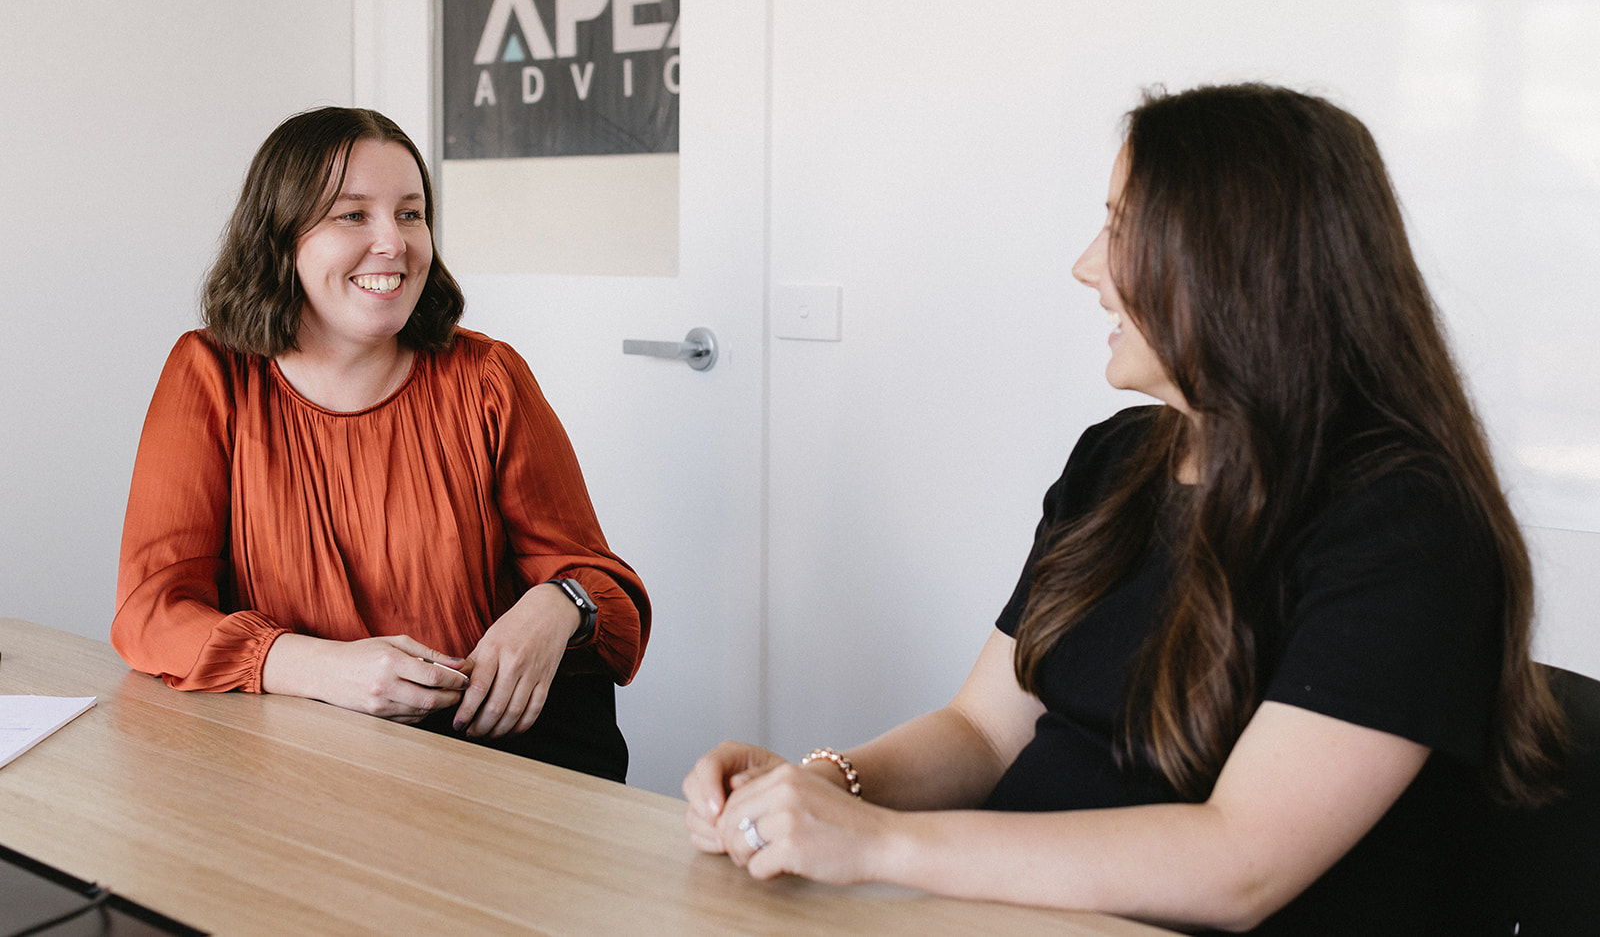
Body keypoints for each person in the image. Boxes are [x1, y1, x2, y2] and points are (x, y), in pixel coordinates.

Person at [683, 84, 1567, 933]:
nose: (1086, 266)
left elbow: (1238, 863)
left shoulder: (1407, 523)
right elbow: (985, 732)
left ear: (1235, 261)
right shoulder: (1114, 461)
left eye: (1121, 228)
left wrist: (879, 844)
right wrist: (830, 785)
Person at [114, 107, 649, 782]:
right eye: (352, 215)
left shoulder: (487, 377)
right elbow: (151, 611)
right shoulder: (211, 374)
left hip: (483, 763)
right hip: (293, 760)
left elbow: (608, 594)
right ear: (281, 237)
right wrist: (323, 666)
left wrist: (558, 605)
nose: (394, 243)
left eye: (409, 213)